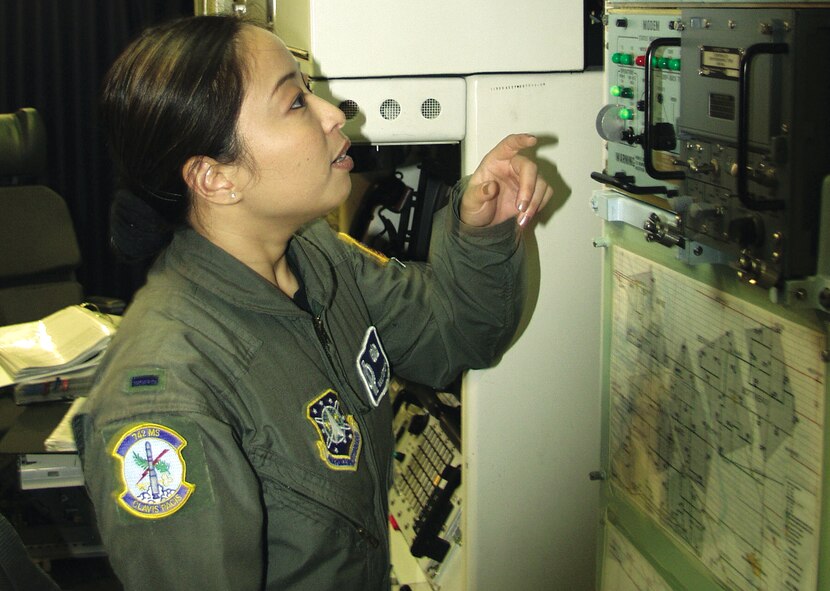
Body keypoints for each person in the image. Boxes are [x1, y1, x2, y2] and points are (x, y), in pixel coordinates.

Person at [72, 14, 553, 591]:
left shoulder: (316, 257)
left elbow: (456, 335)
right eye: (296, 102)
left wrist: (483, 231)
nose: (333, 113)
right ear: (216, 178)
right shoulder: (167, 395)